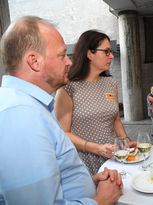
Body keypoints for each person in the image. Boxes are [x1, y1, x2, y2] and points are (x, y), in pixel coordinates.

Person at [0, 16, 122, 205]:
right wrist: (101, 201)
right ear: (34, 61)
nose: (69, 62)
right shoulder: (21, 114)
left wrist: (90, 182)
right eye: (61, 55)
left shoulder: (30, 106)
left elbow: (51, 179)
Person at [54, 30, 135, 175]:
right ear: (89, 54)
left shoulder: (110, 83)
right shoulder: (68, 88)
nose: (111, 56)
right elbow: (62, 133)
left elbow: (116, 120)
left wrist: (126, 143)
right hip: (84, 162)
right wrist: (96, 148)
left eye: (111, 52)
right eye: (106, 52)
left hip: (112, 157)